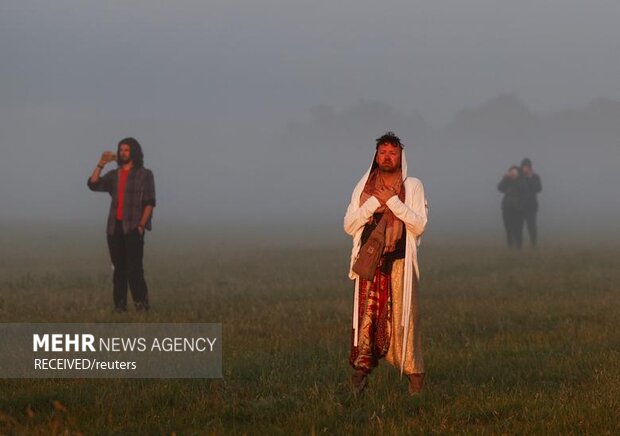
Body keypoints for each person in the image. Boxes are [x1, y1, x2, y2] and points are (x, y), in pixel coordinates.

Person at [344, 131, 428, 395]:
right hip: (370, 264)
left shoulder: (412, 186)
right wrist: (373, 202)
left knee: (404, 322)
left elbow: (419, 224)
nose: (387, 157)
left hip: (400, 262)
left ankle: (415, 379)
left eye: (393, 152)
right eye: (383, 152)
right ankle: (361, 374)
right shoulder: (364, 187)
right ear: (376, 156)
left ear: (401, 156)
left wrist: (391, 200)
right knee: (367, 322)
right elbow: (349, 225)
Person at [88, 137, 156, 312]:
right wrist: (101, 163)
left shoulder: (145, 174)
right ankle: (120, 307)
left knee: (134, 270)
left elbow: (149, 202)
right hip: (114, 227)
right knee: (119, 270)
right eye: (121, 150)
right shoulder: (114, 175)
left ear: (134, 152)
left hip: (133, 227)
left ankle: (142, 305)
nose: (123, 153)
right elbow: (93, 184)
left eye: (126, 150)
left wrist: (141, 226)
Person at [497, 165, 524, 249]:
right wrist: (505, 178)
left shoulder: (522, 181)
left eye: (514, 172)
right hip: (507, 207)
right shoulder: (507, 181)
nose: (513, 174)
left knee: (518, 228)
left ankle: (518, 246)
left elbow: (524, 188)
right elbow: (500, 188)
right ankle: (510, 245)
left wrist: (517, 178)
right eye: (511, 172)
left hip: (518, 208)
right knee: (508, 228)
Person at [520, 158, 542, 247]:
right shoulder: (519, 177)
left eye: (527, 166)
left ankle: (533, 244)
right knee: (518, 227)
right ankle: (518, 245)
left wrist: (530, 177)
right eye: (523, 166)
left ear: (530, 167)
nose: (525, 168)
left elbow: (539, 189)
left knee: (532, 227)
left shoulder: (536, 177)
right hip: (519, 206)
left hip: (531, 206)